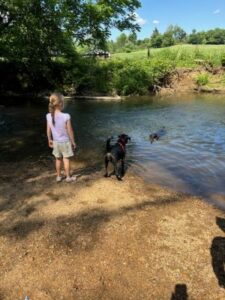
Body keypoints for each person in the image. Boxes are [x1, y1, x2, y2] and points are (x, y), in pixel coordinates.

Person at [46, 92, 77, 183]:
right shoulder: (66, 116)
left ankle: (59, 176)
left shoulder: (48, 116)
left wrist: (49, 139)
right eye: (63, 102)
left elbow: (48, 130)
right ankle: (68, 177)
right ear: (60, 104)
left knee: (58, 159)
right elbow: (70, 131)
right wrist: (73, 142)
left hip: (55, 142)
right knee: (66, 159)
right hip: (65, 142)